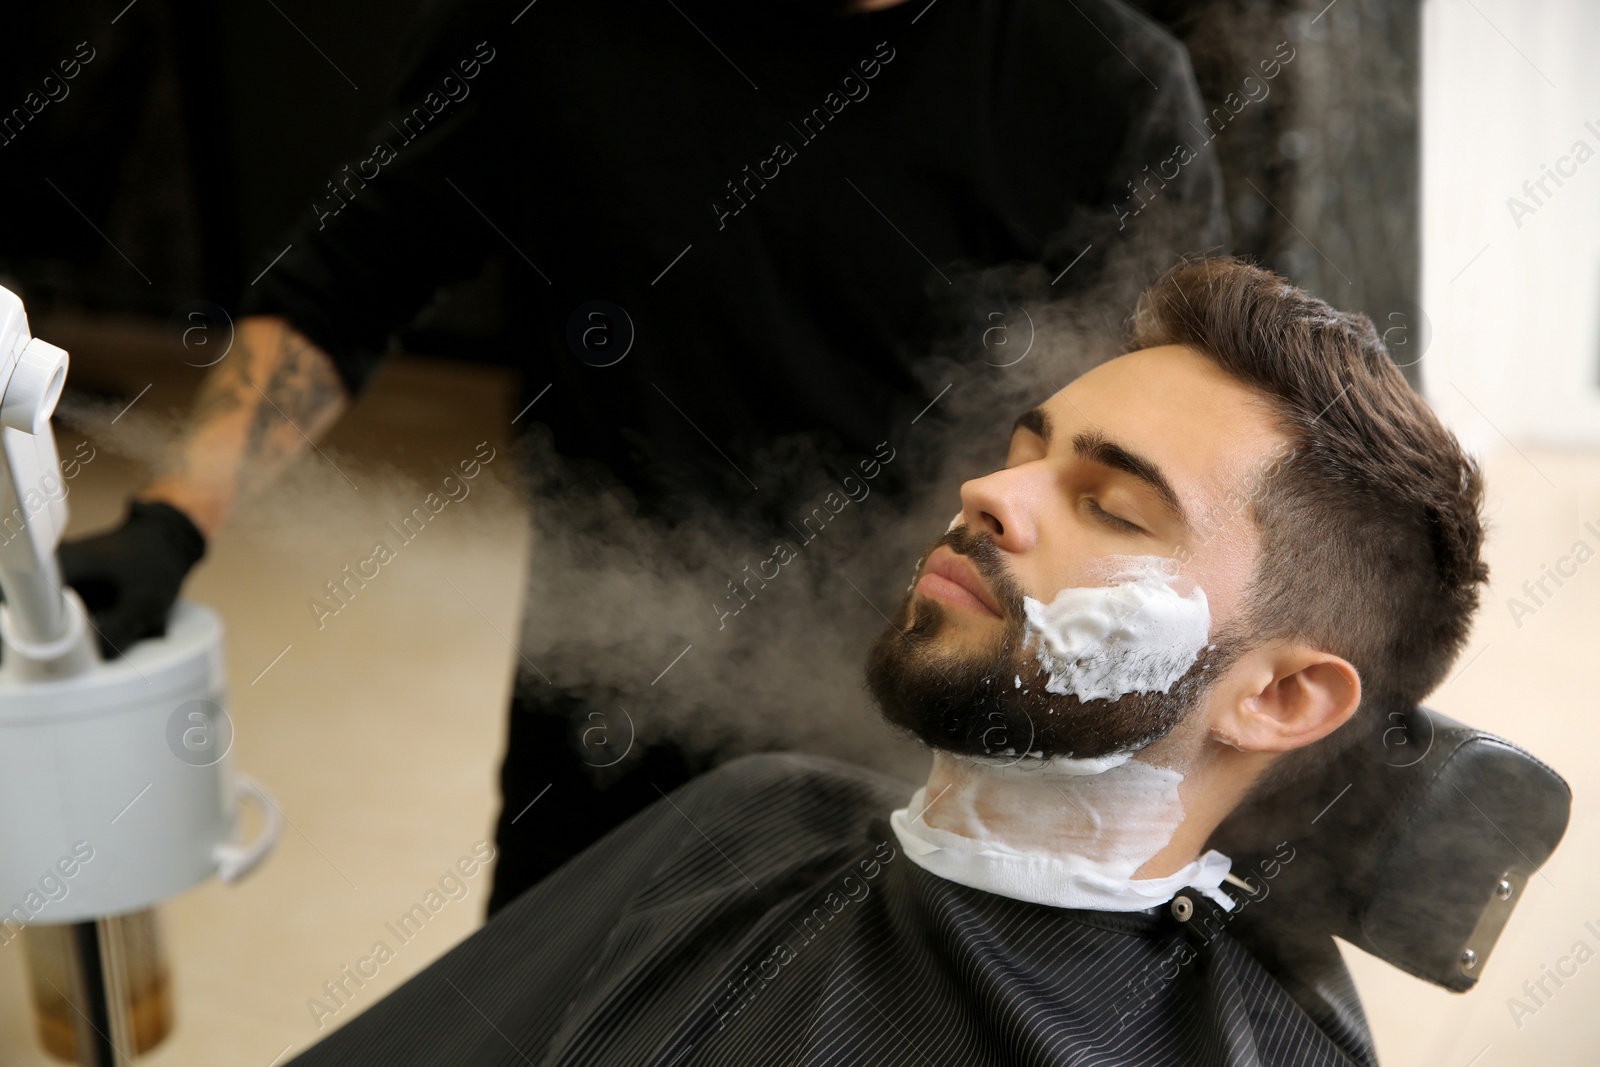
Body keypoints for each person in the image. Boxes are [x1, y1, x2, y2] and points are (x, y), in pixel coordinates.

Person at [54, 0, 1230, 912]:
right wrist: (174, 516)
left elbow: (1181, 459)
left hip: (942, 730)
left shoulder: (1102, 83)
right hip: (614, 720)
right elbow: (347, 280)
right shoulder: (548, 27)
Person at [279, 257, 1489, 1066]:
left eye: (1111, 507)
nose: (989, 493)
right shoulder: (755, 815)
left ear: (1278, 696)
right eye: (1027, 451)